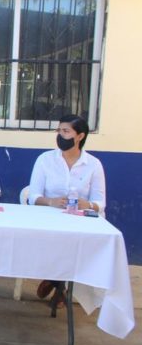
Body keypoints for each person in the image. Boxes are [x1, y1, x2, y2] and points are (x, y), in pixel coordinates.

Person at [28, 115, 105, 308]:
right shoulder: (45, 160)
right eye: (59, 131)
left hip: (79, 219)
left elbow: (100, 202)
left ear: (79, 136)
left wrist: (86, 204)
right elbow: (33, 196)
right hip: (49, 218)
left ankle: (58, 282)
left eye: (65, 131)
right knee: (48, 243)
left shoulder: (93, 164)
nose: (60, 135)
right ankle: (58, 282)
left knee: (89, 247)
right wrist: (50, 201)